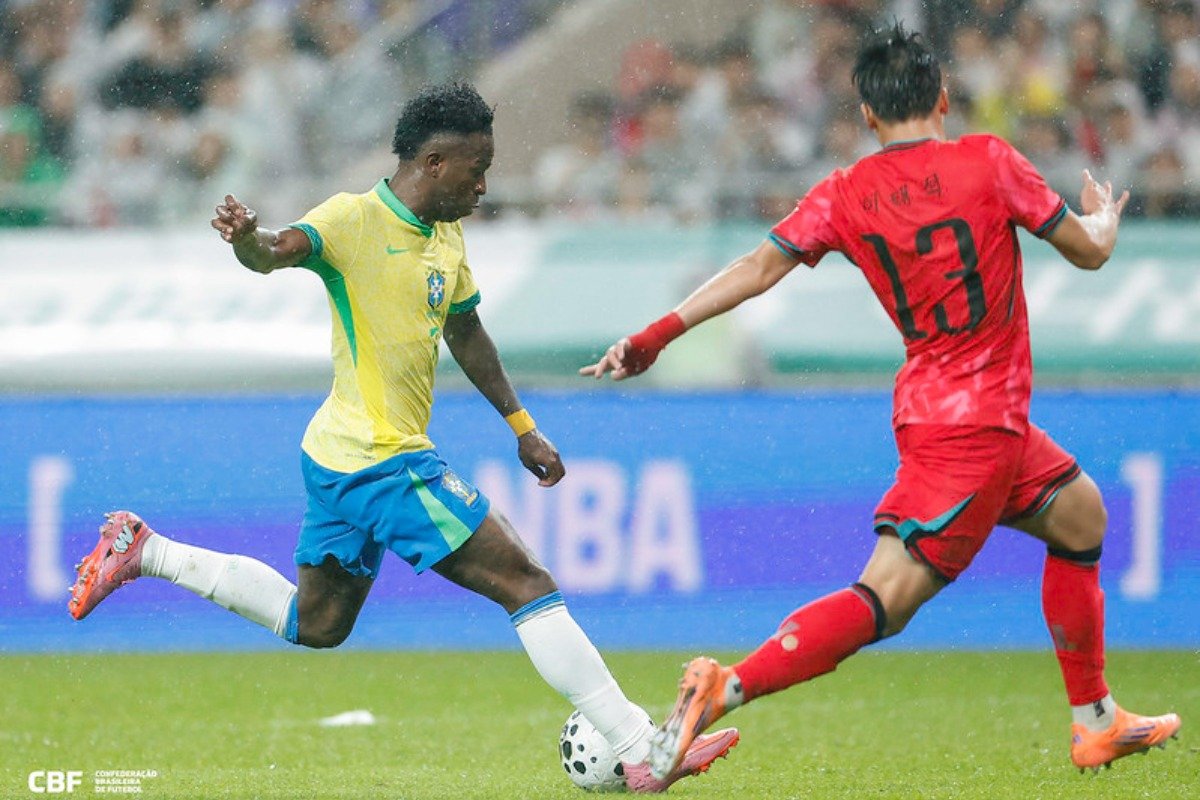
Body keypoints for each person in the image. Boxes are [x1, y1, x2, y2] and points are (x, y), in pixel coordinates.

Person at [68, 82, 736, 793]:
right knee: (525, 582)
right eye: (477, 168)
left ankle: (144, 549)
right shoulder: (352, 220)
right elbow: (276, 251)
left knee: (316, 622)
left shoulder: (447, 236)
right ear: (436, 161)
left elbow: (467, 330)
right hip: (379, 460)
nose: (484, 185)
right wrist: (245, 242)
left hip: (335, 458)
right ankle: (641, 746)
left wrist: (522, 427)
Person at [580, 24, 1182, 780]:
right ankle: (726, 686)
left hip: (944, 410)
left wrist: (655, 333)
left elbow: (757, 267)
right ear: (944, 96)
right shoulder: (990, 161)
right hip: (977, 423)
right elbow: (1090, 252)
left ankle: (1096, 721)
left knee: (1081, 514)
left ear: (867, 115)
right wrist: (1104, 219)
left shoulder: (845, 191)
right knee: (886, 598)